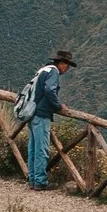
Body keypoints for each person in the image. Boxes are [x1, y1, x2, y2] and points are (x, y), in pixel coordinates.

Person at [25, 50, 74, 190]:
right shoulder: (53, 72)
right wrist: (58, 106)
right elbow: (49, 90)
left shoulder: (43, 70)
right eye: (67, 65)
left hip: (32, 112)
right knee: (41, 149)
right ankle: (40, 181)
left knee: (33, 148)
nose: (67, 69)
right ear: (62, 63)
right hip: (41, 114)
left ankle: (32, 179)